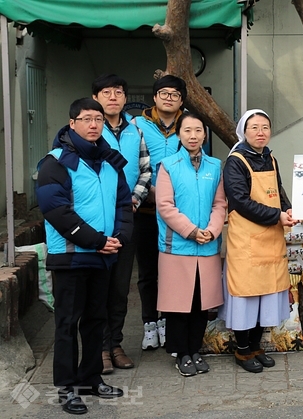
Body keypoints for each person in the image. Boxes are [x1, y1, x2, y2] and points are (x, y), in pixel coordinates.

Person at [36, 98, 133, 415]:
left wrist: (117, 238)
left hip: (103, 257)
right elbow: (57, 212)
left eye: (99, 119)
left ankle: (91, 378)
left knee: (96, 321)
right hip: (71, 259)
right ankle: (66, 388)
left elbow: (123, 205)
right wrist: (97, 241)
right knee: (67, 324)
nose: (94, 124)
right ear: (72, 122)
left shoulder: (109, 161)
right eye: (87, 118)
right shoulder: (54, 162)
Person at [220, 109, 297, 373]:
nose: (260, 132)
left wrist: (287, 210)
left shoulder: (269, 158)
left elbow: (279, 189)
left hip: (271, 237)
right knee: (246, 297)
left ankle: (256, 347)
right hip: (247, 239)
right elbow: (240, 202)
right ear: (244, 131)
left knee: (266, 295)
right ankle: (242, 351)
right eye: (254, 127)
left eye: (265, 127)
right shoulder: (236, 161)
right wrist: (277, 216)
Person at [155, 112, 227, 376]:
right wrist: (191, 231)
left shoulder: (215, 166)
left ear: (205, 135)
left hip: (207, 245)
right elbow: (165, 206)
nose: (193, 136)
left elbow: (220, 204)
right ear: (179, 134)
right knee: (178, 304)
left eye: (198, 131)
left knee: (200, 302)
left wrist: (211, 229)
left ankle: (195, 349)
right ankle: (181, 353)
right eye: (187, 131)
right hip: (178, 246)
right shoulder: (168, 165)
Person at [91, 74, 152, 374]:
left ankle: (115, 343)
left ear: (126, 98)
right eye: (106, 92)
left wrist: (133, 201)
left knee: (120, 286)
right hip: (95, 221)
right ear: (96, 97)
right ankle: (99, 348)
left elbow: (145, 169)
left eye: (118, 92)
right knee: (98, 285)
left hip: (126, 217)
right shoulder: (89, 129)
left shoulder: (134, 130)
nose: (113, 97)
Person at [132, 75, 187, 351]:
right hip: (144, 210)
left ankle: (167, 321)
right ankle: (149, 323)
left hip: (176, 213)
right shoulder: (137, 125)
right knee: (147, 271)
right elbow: (130, 164)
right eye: (163, 93)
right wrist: (146, 191)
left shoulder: (188, 126)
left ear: (181, 100)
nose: (168, 98)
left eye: (175, 94)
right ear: (154, 97)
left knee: (171, 270)